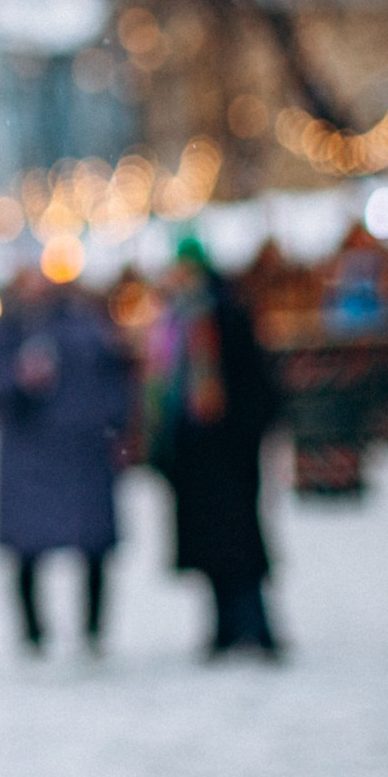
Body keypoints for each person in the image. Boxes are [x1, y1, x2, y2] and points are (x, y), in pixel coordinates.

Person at [0, 268, 133, 656]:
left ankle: (92, 629)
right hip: (29, 452)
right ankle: (32, 631)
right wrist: (18, 380)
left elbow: (113, 377)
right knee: (26, 548)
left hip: (82, 450)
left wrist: (116, 425)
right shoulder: (8, 330)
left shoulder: (84, 325)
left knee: (93, 546)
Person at [146, 238, 285, 661]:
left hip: (226, 453)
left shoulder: (223, 316)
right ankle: (224, 628)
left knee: (239, 544)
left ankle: (255, 627)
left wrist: (240, 433)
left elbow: (255, 386)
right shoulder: (175, 320)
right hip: (194, 456)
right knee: (211, 550)